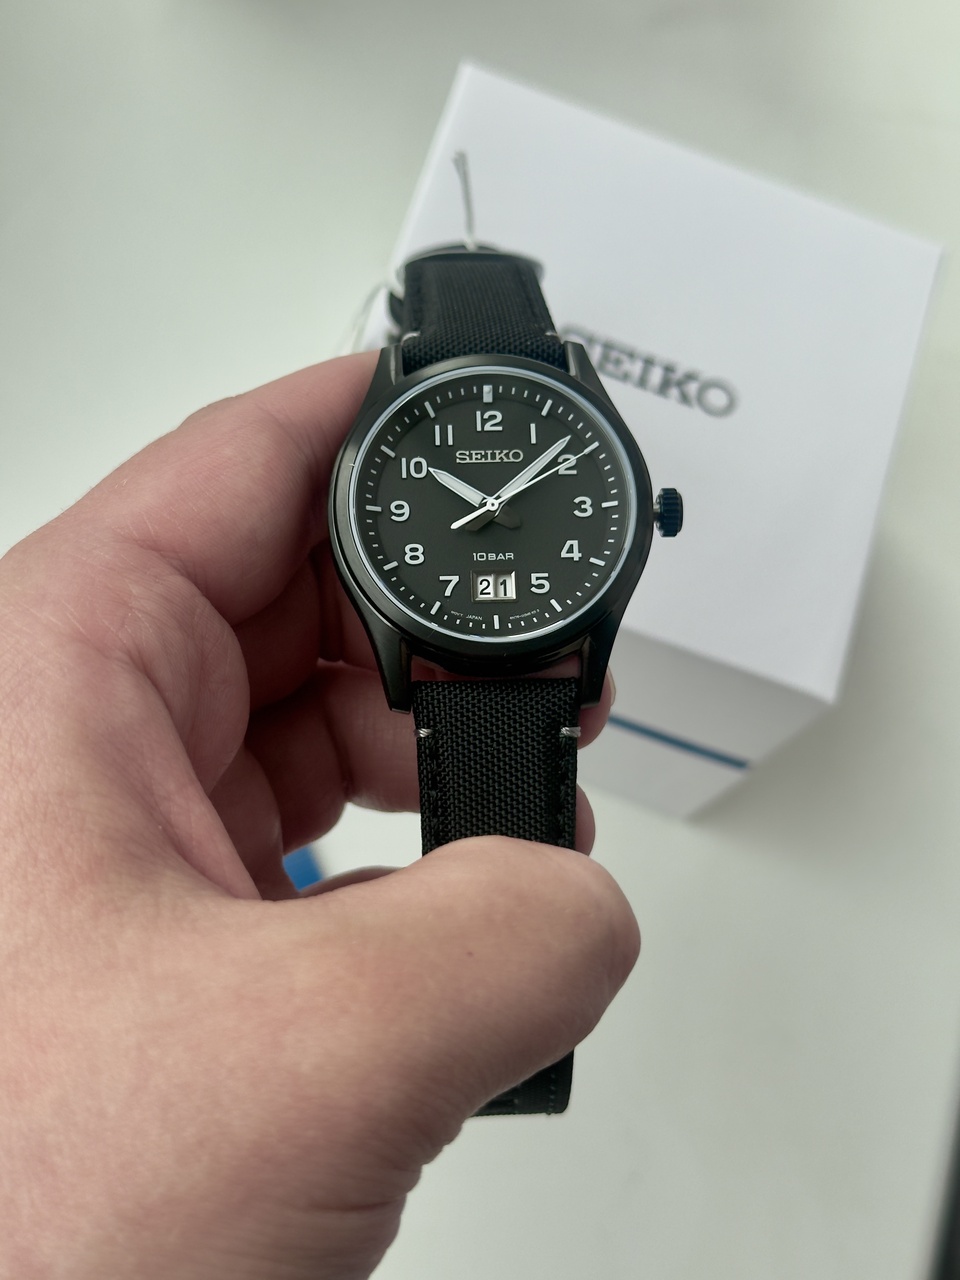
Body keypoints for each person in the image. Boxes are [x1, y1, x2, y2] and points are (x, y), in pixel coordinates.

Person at [0, 352, 640, 1279]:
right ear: (353, 523)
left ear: (642, 516)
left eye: (512, 496)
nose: (495, 511)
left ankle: (513, 1067)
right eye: (479, 500)